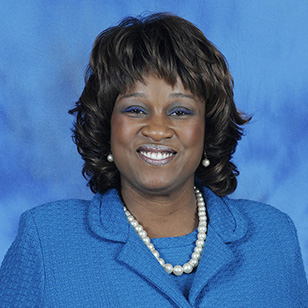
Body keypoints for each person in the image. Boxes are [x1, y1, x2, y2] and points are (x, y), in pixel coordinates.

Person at [0, 13, 307, 307]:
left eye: (180, 111)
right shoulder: (46, 241)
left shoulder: (274, 238)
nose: (157, 130)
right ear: (107, 125)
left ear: (207, 129)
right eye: (135, 109)